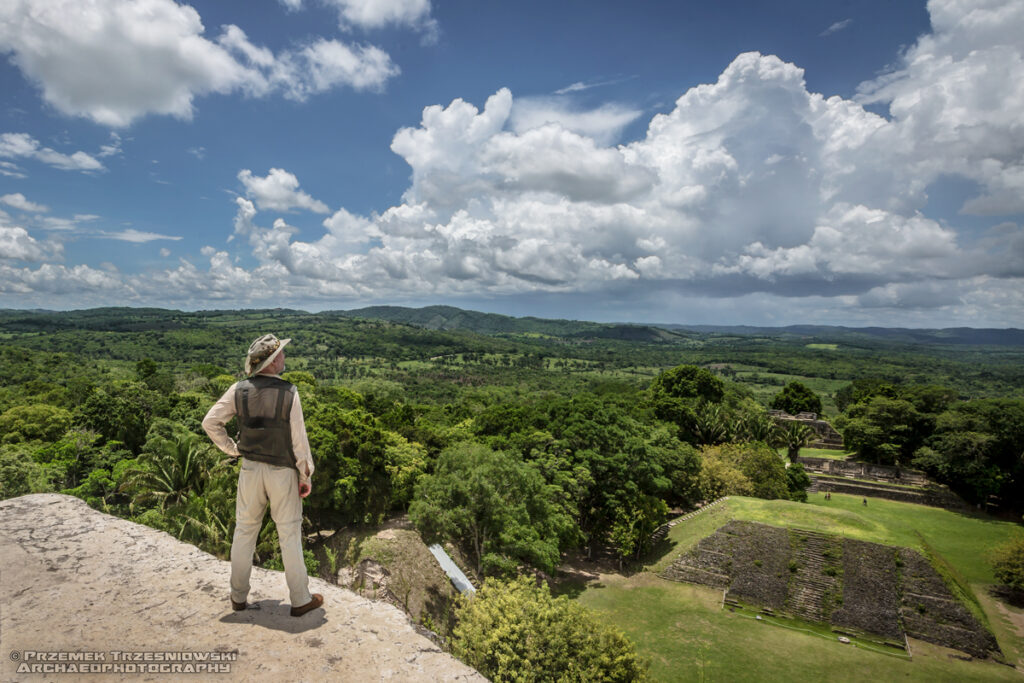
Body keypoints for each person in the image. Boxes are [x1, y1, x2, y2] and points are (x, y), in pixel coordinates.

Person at [202, 333, 324, 617]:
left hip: (250, 469)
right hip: (282, 471)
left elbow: (211, 422)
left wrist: (232, 450)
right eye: (280, 353)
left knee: (244, 531)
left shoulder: (239, 390)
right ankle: (300, 599)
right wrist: (304, 476)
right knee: (289, 533)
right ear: (271, 361)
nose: (283, 357)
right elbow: (299, 443)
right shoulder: (289, 393)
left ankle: (238, 597)